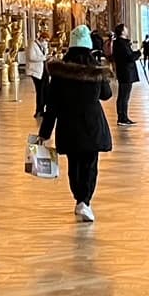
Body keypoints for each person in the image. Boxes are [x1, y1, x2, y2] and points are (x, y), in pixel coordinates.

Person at [38, 22, 113, 222]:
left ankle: (79, 199)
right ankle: (85, 201)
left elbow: (51, 106)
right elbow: (107, 95)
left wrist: (44, 134)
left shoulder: (60, 72)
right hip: (92, 125)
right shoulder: (96, 70)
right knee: (90, 164)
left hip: (68, 124)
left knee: (75, 165)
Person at [112, 23, 140, 125]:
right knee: (124, 96)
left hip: (124, 72)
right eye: (126, 29)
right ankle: (122, 118)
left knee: (124, 96)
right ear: (122, 31)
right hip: (126, 72)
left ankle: (123, 117)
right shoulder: (121, 44)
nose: (127, 30)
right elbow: (130, 58)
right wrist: (138, 53)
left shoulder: (121, 43)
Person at [25, 32, 49, 120]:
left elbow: (45, 54)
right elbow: (31, 57)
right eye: (45, 40)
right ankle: (39, 110)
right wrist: (44, 58)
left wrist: (45, 49)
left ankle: (43, 109)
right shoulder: (32, 45)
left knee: (45, 90)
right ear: (41, 38)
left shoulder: (43, 45)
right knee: (40, 91)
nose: (46, 42)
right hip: (36, 71)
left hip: (43, 70)